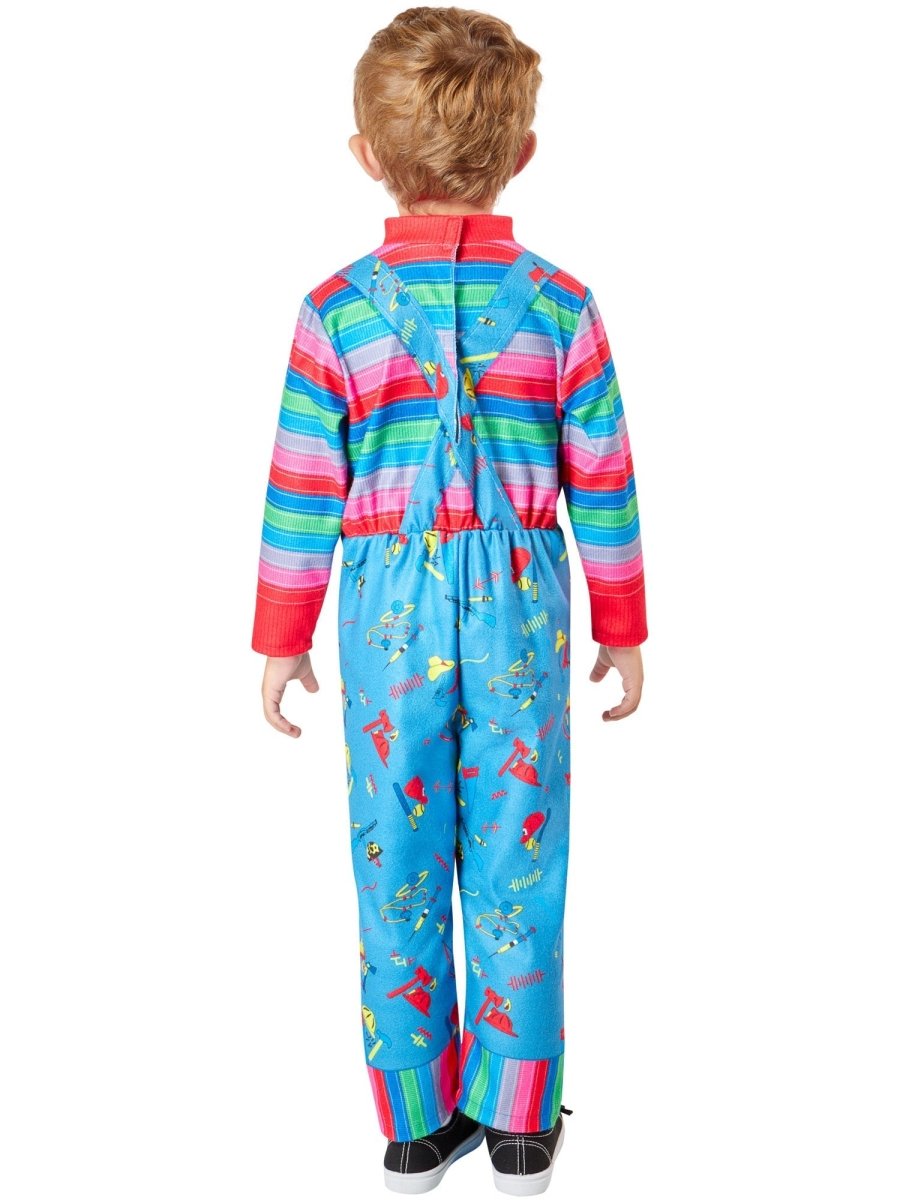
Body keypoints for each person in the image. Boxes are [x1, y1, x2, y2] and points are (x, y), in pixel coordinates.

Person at [250, 7, 647, 1194]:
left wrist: (282, 637)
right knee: (522, 853)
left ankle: (418, 1122)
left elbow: (302, 489)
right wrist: (622, 625)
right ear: (523, 153)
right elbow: (605, 484)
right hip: (523, 608)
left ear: (366, 156)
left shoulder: (337, 313)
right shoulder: (562, 307)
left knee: (396, 853)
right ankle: (519, 1121)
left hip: (387, 615)